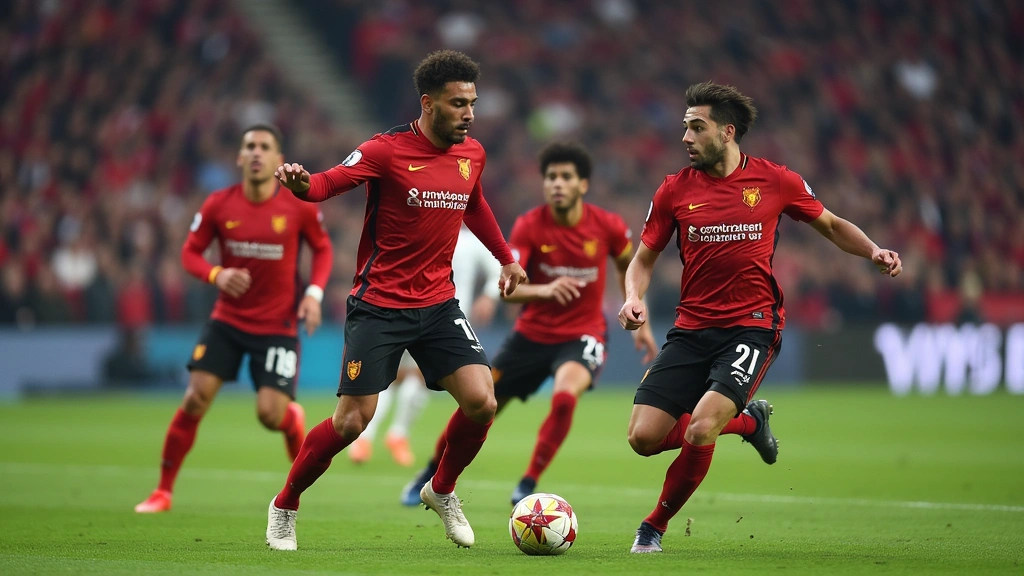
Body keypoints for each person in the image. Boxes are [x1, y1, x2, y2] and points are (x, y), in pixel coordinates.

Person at [619, 82, 902, 553]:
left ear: (727, 132)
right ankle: (750, 422)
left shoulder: (776, 181)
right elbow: (644, 257)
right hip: (691, 328)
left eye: (696, 127)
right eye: (684, 127)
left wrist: (872, 250)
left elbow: (830, 224)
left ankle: (653, 528)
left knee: (699, 428)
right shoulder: (673, 190)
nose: (685, 137)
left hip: (753, 325)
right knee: (643, 439)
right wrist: (633, 298)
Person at [264, 50, 527, 551]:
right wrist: (301, 185)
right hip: (379, 304)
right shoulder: (385, 151)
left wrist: (506, 258)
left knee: (481, 402)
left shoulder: (472, 154)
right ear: (428, 104)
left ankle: (441, 489)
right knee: (350, 422)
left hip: (439, 304)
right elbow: (325, 184)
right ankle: (285, 504)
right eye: (457, 103)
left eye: (472, 101)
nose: (469, 113)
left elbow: (475, 204)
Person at [401, 140, 662, 507]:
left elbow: (629, 269)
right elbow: (508, 290)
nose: (557, 183)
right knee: (479, 406)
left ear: (583, 185)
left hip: (582, 334)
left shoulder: (608, 226)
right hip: (530, 337)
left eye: (566, 177)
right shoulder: (530, 226)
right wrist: (546, 291)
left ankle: (528, 481)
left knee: (564, 397)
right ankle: (430, 473)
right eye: (551, 177)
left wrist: (641, 318)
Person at [135, 124, 334, 513]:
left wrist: (313, 294)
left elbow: (323, 250)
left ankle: (291, 421)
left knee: (269, 415)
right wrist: (216, 274)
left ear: (279, 159)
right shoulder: (218, 204)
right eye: (250, 147)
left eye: (265, 147)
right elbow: (190, 253)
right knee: (194, 397)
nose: (257, 153)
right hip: (227, 320)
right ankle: (163, 491)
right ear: (240, 158)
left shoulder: (298, 205)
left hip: (277, 326)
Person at [349, 226, 501, 468]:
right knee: (395, 376)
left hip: (445, 321)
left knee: (418, 378)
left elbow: (498, 269)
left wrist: (489, 296)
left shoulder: (471, 242)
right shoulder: (426, 229)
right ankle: (380, 437)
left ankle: (388, 437)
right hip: (408, 310)